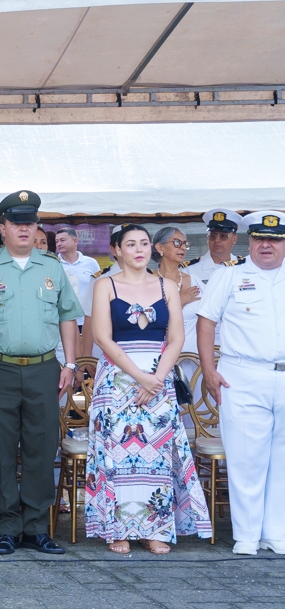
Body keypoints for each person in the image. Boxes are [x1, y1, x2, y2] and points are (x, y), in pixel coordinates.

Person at [0, 190, 83, 557]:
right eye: (16, 223)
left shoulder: (51, 267)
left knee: (41, 447)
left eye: (29, 223)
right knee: (1, 449)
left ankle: (36, 527)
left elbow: (68, 316)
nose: (23, 229)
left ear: (36, 228)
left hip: (44, 368)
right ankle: (7, 527)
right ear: (3, 228)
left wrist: (70, 364)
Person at [86, 224, 211, 554]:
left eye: (144, 243)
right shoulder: (105, 285)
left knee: (155, 457)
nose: (139, 249)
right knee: (117, 455)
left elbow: (177, 337)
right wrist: (139, 378)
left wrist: (156, 379)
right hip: (117, 379)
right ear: (117, 250)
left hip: (159, 376)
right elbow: (102, 337)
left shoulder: (168, 286)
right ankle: (118, 529)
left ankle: (155, 529)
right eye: (131, 244)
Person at [197, 209, 285, 556]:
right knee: (246, 458)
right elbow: (206, 322)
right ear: (250, 241)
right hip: (242, 375)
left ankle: (276, 532)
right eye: (261, 239)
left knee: (282, 460)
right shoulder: (230, 276)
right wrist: (208, 369)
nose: (267, 245)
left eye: (275, 240)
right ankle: (247, 535)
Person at [151, 226, 204, 353]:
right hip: (160, 357)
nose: (183, 248)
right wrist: (180, 301)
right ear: (160, 247)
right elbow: (147, 321)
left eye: (185, 244)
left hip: (194, 360)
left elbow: (212, 319)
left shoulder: (194, 281)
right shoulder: (148, 282)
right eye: (177, 243)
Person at [186, 208, 245, 285]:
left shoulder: (244, 267)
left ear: (234, 239)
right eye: (213, 235)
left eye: (223, 236)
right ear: (208, 238)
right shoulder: (189, 270)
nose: (217, 240)